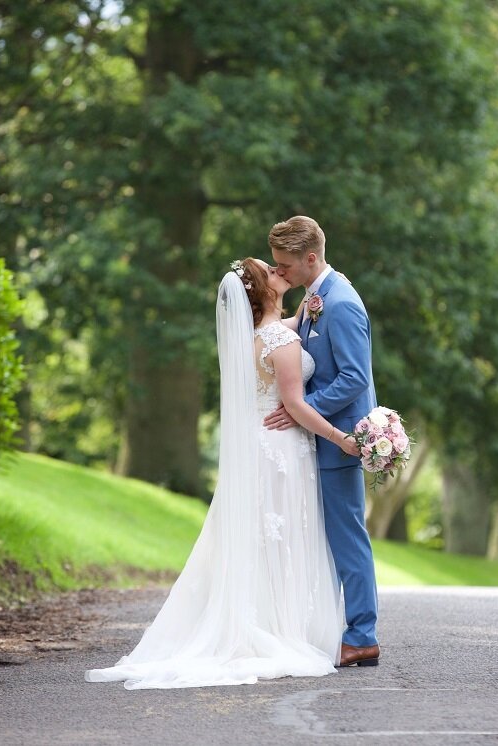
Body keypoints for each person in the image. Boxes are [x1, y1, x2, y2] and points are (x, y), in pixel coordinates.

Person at [84, 257, 359, 689]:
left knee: (262, 537)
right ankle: (281, 628)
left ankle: (264, 619)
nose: (279, 271)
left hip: (257, 446)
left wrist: (310, 304)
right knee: (282, 536)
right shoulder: (278, 341)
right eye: (270, 271)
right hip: (281, 448)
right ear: (262, 291)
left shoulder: (254, 338)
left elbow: (290, 328)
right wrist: (342, 438)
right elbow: (297, 406)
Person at [265, 216, 381, 667]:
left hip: (341, 442)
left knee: (348, 538)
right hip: (322, 437)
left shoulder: (343, 304)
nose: (282, 273)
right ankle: (333, 629)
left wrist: (302, 409)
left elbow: (354, 378)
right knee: (327, 539)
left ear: (310, 258)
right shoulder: (318, 297)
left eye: (286, 265)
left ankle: (362, 636)